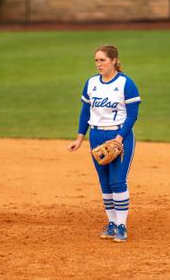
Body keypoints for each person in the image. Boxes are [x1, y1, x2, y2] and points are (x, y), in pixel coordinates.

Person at [67, 45, 141, 243]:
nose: (98, 64)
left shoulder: (126, 83)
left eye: (102, 60)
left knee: (118, 181)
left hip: (119, 136)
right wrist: (80, 138)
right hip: (97, 137)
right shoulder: (91, 83)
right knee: (105, 182)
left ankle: (122, 226)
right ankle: (111, 224)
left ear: (114, 61)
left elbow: (133, 114)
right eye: (96, 61)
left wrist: (119, 138)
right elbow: (85, 112)